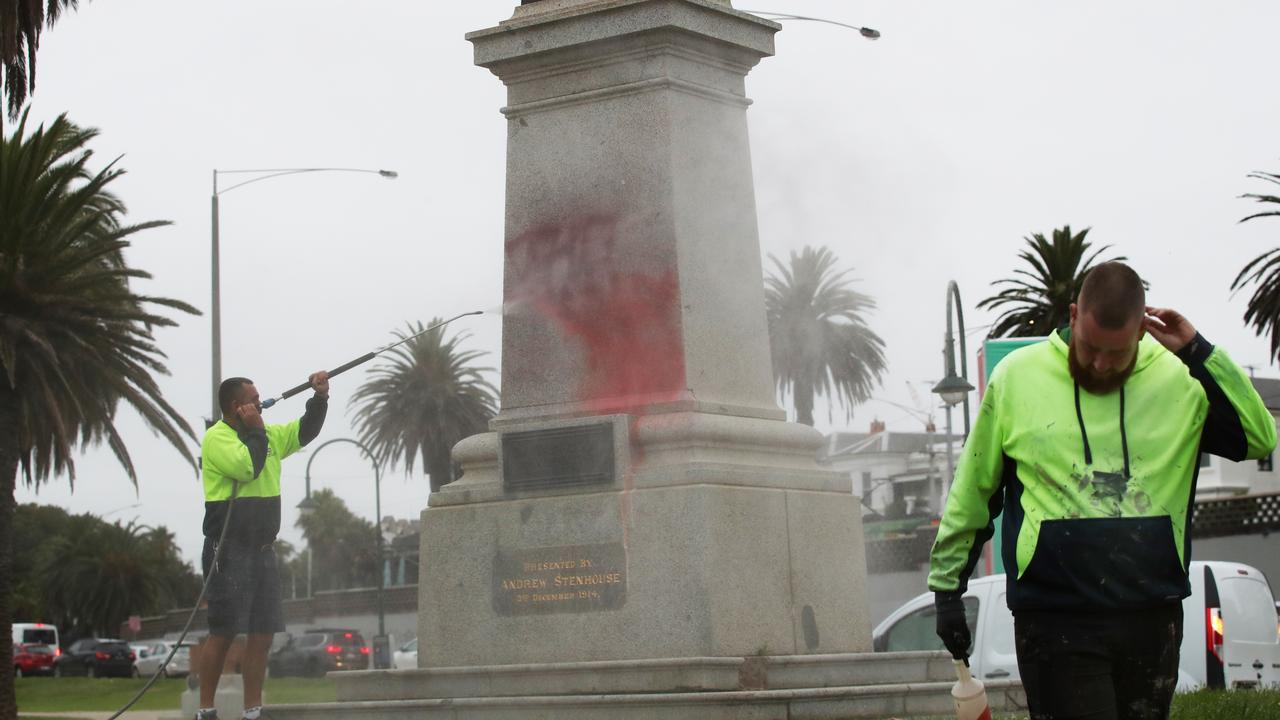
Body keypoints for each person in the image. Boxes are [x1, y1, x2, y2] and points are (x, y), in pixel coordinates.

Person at [928, 262, 1276, 720]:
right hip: (1055, 618)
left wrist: (1197, 349)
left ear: (1141, 333)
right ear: (1073, 316)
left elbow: (1257, 437)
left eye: (1117, 353)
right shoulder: (1017, 377)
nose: (1099, 364)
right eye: (1090, 347)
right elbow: (975, 488)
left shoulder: (1179, 379)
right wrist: (948, 590)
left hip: (1153, 615)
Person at [195, 372, 329, 720]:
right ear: (236, 407)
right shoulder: (217, 439)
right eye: (253, 399)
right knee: (223, 632)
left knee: (262, 633)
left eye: (259, 397)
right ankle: (205, 709)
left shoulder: (267, 435)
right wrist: (254, 429)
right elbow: (249, 467)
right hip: (228, 550)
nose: (260, 402)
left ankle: (252, 709)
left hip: (262, 551)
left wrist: (319, 399)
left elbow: (304, 432)